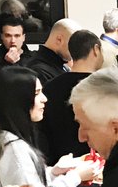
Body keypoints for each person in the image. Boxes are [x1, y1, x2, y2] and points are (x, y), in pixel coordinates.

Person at [42, 29, 103, 162]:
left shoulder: (50, 87)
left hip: (57, 163)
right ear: (96, 49)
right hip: (94, 163)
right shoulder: (103, 88)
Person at [26, 18, 80, 83]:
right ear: (59, 39)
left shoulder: (59, 66)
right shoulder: (40, 71)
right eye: (73, 43)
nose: (77, 49)